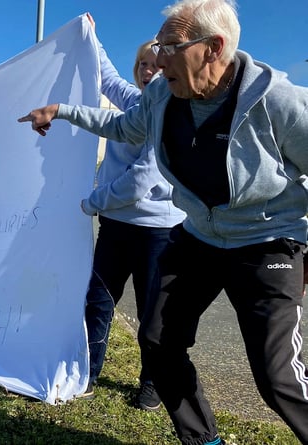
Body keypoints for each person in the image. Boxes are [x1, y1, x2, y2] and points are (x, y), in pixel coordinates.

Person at [18, 1, 308, 443]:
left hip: (267, 242)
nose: (159, 59)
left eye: (170, 46)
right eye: (159, 45)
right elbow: (124, 127)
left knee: (275, 376)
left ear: (214, 48)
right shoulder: (162, 96)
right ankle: (203, 440)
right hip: (199, 237)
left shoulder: (277, 100)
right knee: (158, 343)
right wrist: (62, 110)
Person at [79, 15, 186, 411]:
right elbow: (105, 77)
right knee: (99, 300)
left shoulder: (173, 115)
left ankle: (151, 383)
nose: (150, 71)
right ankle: (88, 373)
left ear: (171, 72)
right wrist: (91, 34)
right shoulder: (135, 102)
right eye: (144, 64)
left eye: (158, 66)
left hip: (160, 231)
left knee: (152, 313)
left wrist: (93, 201)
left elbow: (142, 180)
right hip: (117, 227)